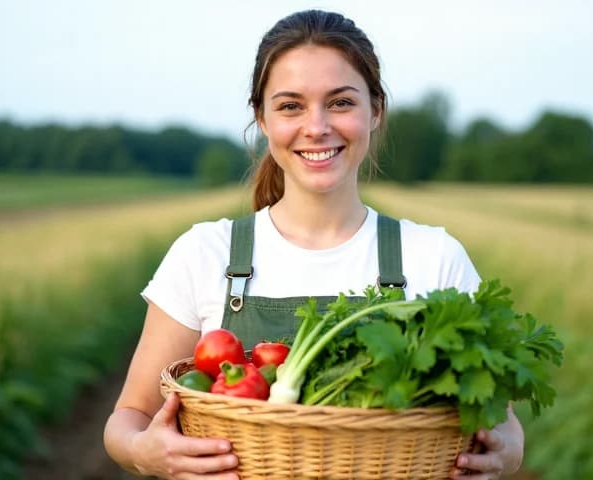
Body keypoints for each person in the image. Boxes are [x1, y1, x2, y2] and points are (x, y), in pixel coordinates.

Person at [104, 9, 524, 480]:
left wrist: (506, 451)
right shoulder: (205, 253)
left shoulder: (434, 257)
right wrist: (145, 452)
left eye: (341, 102)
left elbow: (501, 421)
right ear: (261, 118)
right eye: (290, 106)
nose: (317, 126)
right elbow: (128, 418)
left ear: (376, 110)